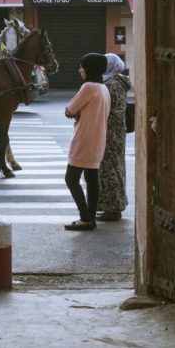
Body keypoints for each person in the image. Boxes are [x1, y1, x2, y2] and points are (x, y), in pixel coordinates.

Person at [63, 53, 110, 231]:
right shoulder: (103, 88)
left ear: (89, 68)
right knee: (91, 179)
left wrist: (74, 112)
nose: (80, 69)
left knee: (71, 178)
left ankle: (85, 217)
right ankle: (90, 218)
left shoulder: (88, 87)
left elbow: (69, 110)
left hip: (84, 139)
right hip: (98, 140)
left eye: (82, 66)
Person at [97, 53, 131, 221]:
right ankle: (113, 206)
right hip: (118, 131)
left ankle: (113, 208)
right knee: (116, 167)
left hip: (110, 131)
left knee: (110, 170)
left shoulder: (110, 84)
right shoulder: (119, 82)